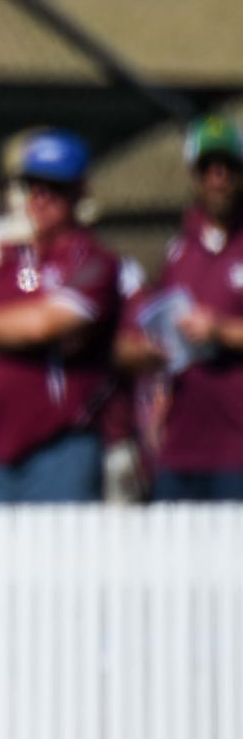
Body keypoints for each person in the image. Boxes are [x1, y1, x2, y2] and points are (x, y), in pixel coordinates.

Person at [0, 129, 121, 503]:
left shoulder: (94, 261)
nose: (41, 198)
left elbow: (42, 326)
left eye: (55, 188)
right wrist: (17, 331)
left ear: (79, 191)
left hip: (61, 446)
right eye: (33, 187)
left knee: (59, 559)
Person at [123, 115, 243, 500]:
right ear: (195, 175)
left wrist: (221, 330)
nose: (218, 178)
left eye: (227, 167)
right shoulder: (177, 250)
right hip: (180, 447)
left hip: (236, 450)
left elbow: (219, 328)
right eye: (208, 167)